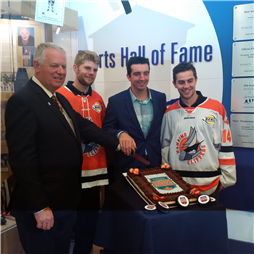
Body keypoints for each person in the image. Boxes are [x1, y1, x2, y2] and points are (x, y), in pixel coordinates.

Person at [5, 42, 120, 254]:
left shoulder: (57, 98)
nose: (60, 72)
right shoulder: (23, 101)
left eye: (63, 67)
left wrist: (119, 141)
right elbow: (23, 161)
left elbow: (85, 127)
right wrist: (40, 207)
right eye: (54, 66)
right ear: (36, 65)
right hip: (43, 207)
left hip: (64, 203)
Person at [160, 61, 236, 198]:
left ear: (196, 80)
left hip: (210, 184)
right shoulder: (169, 113)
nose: (186, 86)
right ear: (174, 84)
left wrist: (225, 180)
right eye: (181, 82)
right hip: (177, 186)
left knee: (207, 220)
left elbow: (225, 147)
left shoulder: (216, 109)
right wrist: (167, 178)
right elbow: (165, 148)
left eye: (190, 81)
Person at [57, 50, 107, 254]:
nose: (91, 73)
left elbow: (104, 131)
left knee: (88, 228)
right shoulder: (60, 95)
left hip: (94, 174)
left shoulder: (98, 98)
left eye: (95, 69)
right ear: (75, 68)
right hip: (68, 174)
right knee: (63, 227)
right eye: (87, 68)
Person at [103, 56, 167, 182]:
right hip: (127, 166)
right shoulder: (116, 101)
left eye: (146, 73)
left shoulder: (160, 98)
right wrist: (120, 134)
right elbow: (106, 129)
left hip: (155, 165)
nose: (142, 78)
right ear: (129, 76)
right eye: (137, 74)